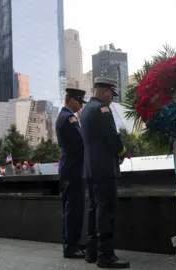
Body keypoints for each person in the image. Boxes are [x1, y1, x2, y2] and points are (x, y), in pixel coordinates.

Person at [80, 77, 130, 269]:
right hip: (104, 170)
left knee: (94, 211)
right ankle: (106, 256)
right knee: (106, 213)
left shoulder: (85, 111)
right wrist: (122, 152)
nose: (111, 99)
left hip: (91, 170)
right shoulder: (102, 110)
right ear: (105, 92)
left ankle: (92, 252)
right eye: (110, 94)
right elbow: (112, 137)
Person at [55, 88, 87, 259]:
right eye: (79, 102)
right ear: (72, 100)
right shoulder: (69, 118)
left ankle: (71, 243)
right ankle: (71, 247)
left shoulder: (63, 116)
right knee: (74, 209)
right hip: (73, 170)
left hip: (69, 169)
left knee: (70, 209)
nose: (81, 106)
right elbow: (80, 145)